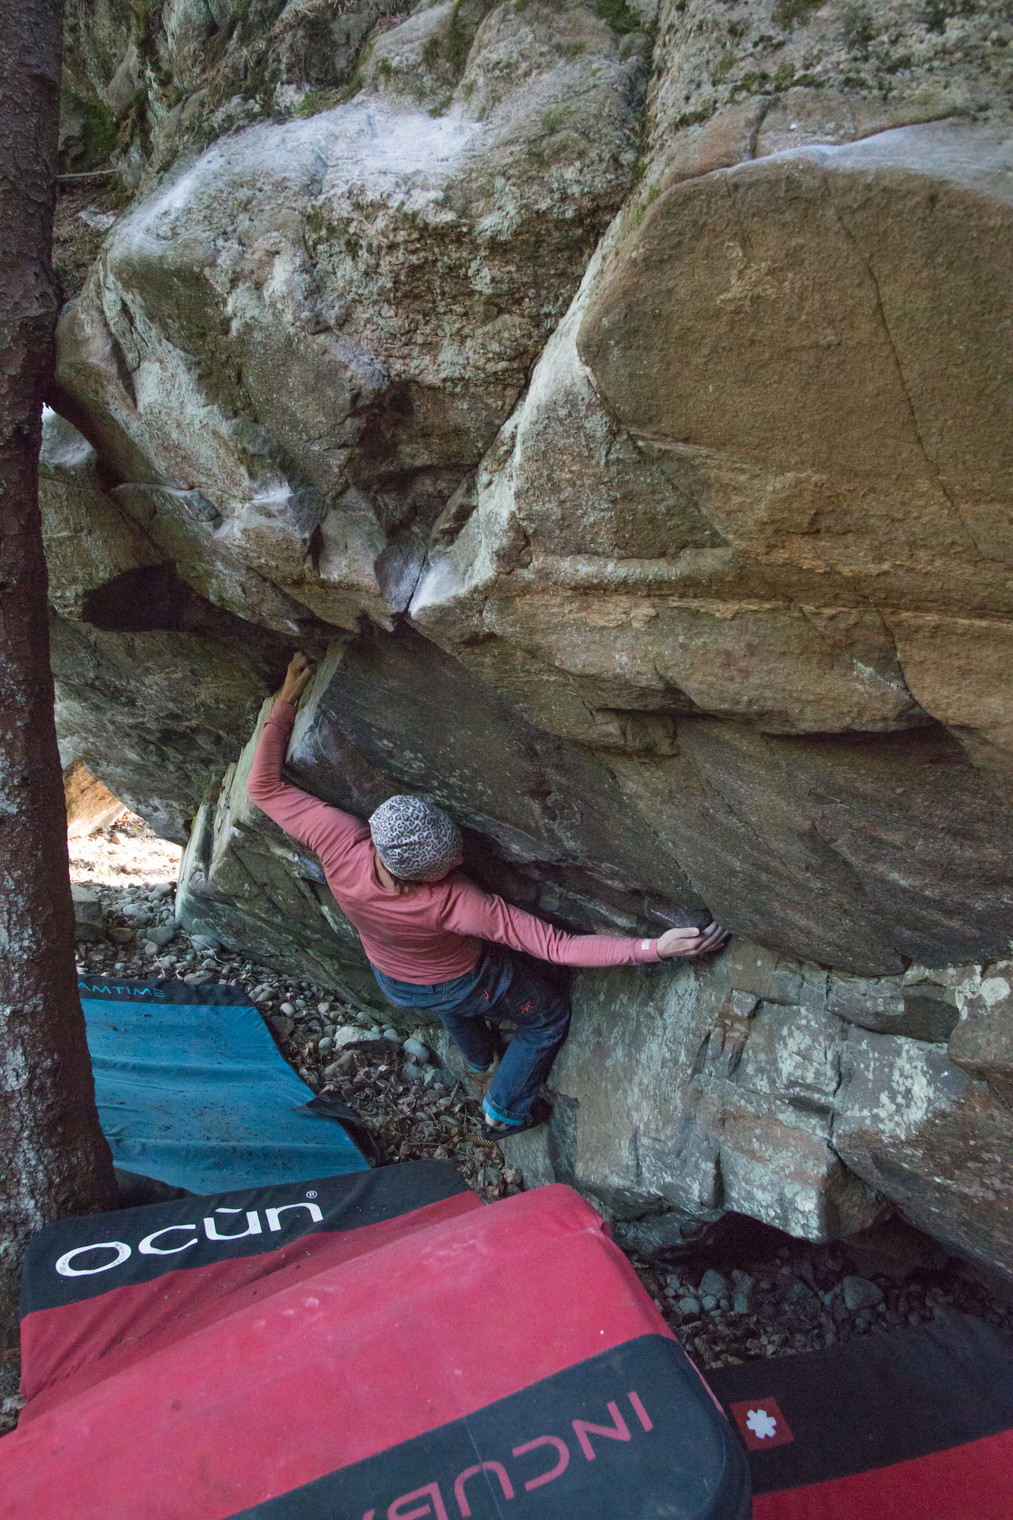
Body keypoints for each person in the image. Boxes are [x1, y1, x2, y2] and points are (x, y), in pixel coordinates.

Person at [248, 653, 729, 1139]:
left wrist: (286, 700)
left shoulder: (339, 842)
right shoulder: (458, 904)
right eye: (450, 861)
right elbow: (557, 946)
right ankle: (502, 1111)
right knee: (546, 1019)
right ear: (434, 877)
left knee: (449, 1004)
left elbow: (264, 789)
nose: (461, 860)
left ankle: (479, 1058)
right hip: (461, 979)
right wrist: (654, 948)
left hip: (393, 974)